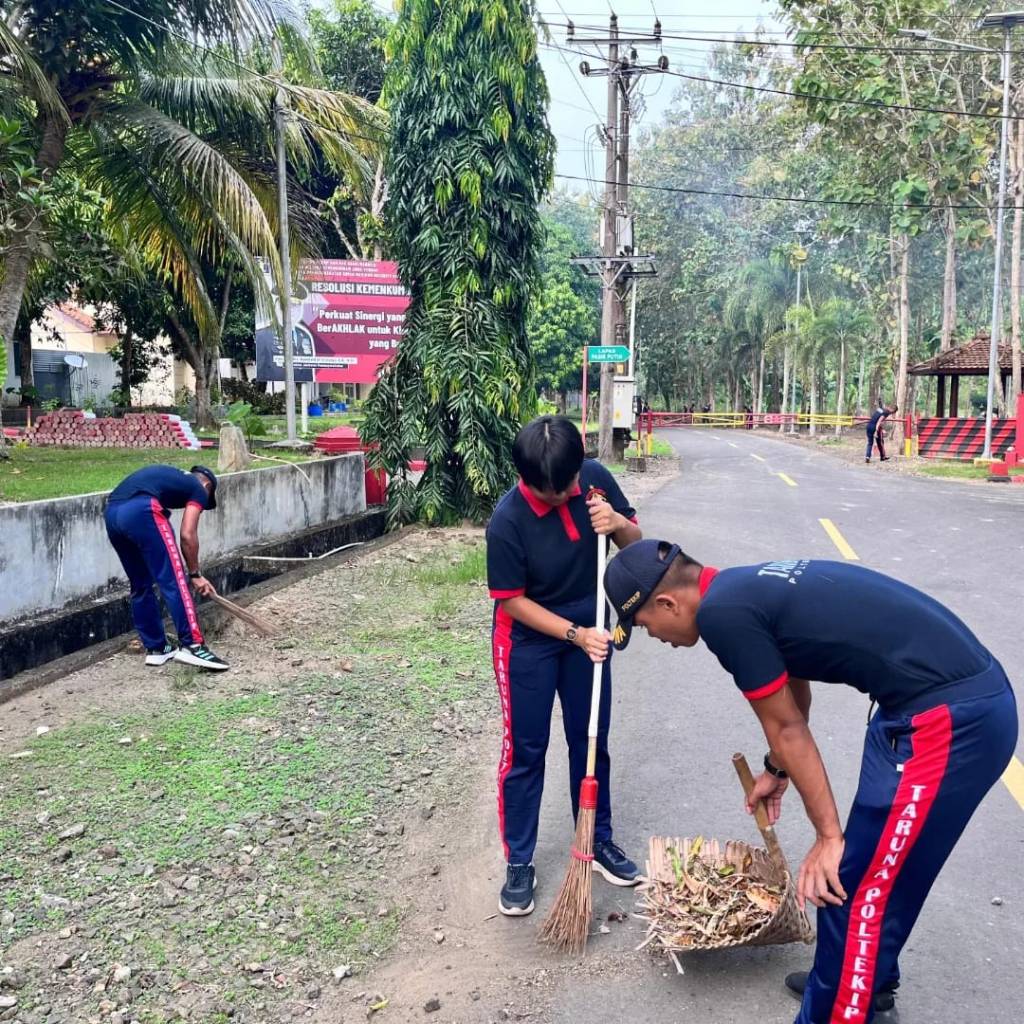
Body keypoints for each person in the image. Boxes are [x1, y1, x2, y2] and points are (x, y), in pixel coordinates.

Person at [604, 541, 1017, 1023]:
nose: (654, 636)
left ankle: (839, 1003)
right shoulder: (739, 587)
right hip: (926, 708)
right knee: (873, 870)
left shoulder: (722, 616)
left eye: (645, 625)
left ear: (668, 603)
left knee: (848, 883)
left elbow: (787, 727)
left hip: (950, 721)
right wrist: (777, 771)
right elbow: (792, 689)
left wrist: (828, 837)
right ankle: (860, 983)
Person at [486, 415, 643, 916]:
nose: (569, 494)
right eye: (556, 493)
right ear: (530, 481)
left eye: (572, 484)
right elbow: (510, 601)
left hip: (591, 632)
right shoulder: (507, 521)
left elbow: (636, 548)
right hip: (529, 642)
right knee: (527, 751)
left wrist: (617, 524)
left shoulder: (592, 477)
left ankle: (597, 841)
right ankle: (520, 861)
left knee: (590, 739)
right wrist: (574, 634)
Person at [105, 464, 229, 671]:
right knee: (175, 580)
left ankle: (157, 648)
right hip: (142, 511)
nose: (201, 505)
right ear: (207, 485)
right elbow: (188, 534)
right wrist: (196, 574)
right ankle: (192, 645)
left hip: (112, 514)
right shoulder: (198, 487)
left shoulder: (169, 478)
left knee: (140, 584)